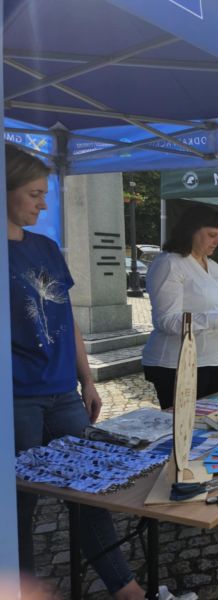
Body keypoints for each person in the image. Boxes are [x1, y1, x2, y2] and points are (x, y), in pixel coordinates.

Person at [7, 144, 148, 599]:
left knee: (90, 490)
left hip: (63, 392)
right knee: (17, 508)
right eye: (34, 194)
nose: (43, 205)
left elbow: (67, 319)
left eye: (44, 194)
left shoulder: (45, 247)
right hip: (15, 400)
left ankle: (126, 588)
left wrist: (86, 379)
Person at [142, 206, 218, 409]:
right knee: (189, 425)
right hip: (177, 363)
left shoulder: (213, 266)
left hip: (217, 358)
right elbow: (166, 320)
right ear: (191, 231)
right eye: (212, 235)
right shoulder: (169, 263)